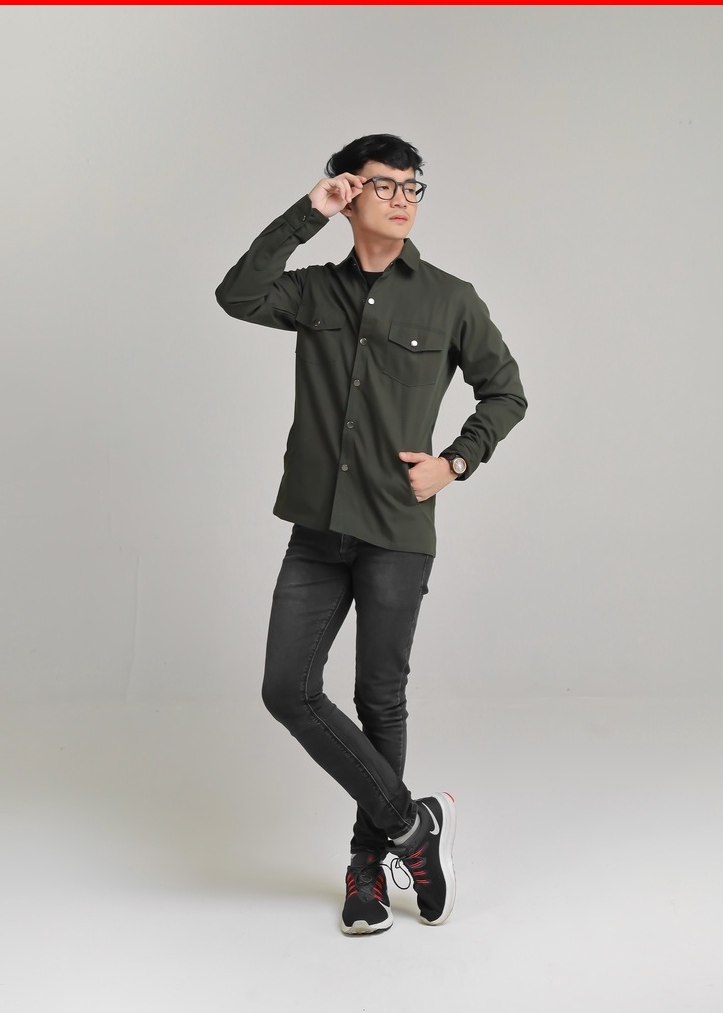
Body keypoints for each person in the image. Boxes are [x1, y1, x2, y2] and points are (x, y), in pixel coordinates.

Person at [215, 134, 526, 934]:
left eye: (414, 186)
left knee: (379, 698)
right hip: (317, 529)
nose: (403, 198)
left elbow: (505, 392)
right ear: (349, 192)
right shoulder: (314, 291)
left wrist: (456, 462)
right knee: (288, 690)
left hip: (396, 529)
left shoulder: (451, 298)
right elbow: (237, 295)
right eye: (384, 185)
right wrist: (307, 212)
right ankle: (412, 825)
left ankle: (366, 868)